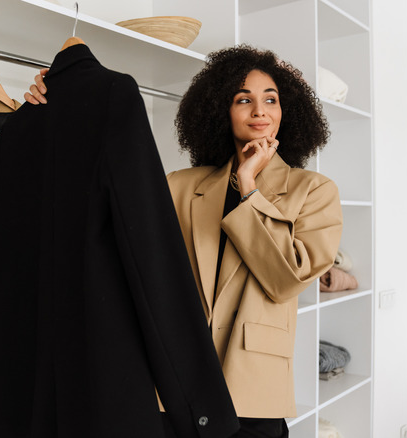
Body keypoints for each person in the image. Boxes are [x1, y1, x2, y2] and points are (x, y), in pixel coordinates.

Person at [25, 44, 343, 438]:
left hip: (253, 389)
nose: (260, 111)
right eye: (244, 99)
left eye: (271, 100)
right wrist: (63, 102)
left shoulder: (314, 190)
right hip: (174, 381)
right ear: (219, 111)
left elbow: (286, 278)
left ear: (287, 111)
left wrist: (249, 187)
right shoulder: (181, 185)